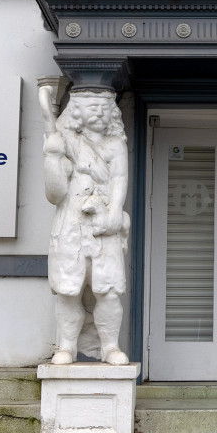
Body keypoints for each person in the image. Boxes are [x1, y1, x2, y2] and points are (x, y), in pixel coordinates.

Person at [38, 83, 130, 366]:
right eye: (93, 108)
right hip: (71, 224)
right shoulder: (65, 143)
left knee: (109, 292)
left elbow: (119, 179)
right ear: (77, 112)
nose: (100, 113)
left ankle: (110, 346)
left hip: (104, 225)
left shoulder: (115, 145)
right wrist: (53, 156)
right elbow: (54, 193)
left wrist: (114, 212)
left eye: (105, 108)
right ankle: (66, 346)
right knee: (69, 291)